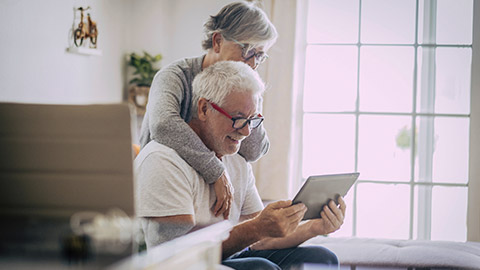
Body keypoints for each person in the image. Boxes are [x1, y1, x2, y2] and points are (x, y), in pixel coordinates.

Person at [135, 61, 346, 270]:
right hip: (184, 264)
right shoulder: (163, 160)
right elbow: (180, 254)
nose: (246, 132)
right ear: (204, 109)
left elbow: (261, 240)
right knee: (261, 267)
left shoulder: (235, 159)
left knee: (322, 258)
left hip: (228, 256)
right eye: (238, 119)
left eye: (252, 120)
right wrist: (255, 228)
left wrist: (314, 228)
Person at [138, 1, 278, 219]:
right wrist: (216, 171)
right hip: (165, 191)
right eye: (247, 50)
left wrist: (248, 104)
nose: (253, 63)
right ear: (218, 41)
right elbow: (163, 124)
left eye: (259, 55)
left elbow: (254, 150)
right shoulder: (175, 76)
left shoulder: (246, 83)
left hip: (207, 203)